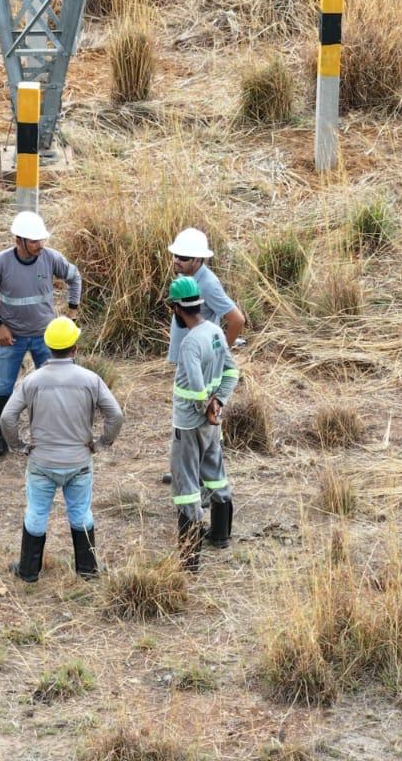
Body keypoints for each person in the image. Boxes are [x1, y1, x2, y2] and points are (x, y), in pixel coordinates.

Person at [0, 316, 124, 583]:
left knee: (36, 512)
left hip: (41, 461)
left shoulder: (32, 381)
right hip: (79, 461)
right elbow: (116, 415)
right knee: (80, 513)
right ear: (75, 348)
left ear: (47, 346)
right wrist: (101, 443)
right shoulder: (91, 379)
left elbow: (7, 417)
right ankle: (88, 569)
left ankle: (29, 570)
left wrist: (18, 446)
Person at [0, 211, 82, 463]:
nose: (40, 245)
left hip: (46, 337)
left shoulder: (51, 258)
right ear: (18, 240)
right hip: (13, 338)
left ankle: (57, 438)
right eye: (34, 241)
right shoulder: (0, 263)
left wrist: (72, 312)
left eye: (41, 240)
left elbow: (74, 278)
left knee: (59, 384)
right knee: (3, 387)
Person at [163, 228, 246, 485]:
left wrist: (221, 352)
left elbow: (236, 319)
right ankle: (188, 470)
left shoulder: (207, 283)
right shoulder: (190, 278)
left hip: (199, 363)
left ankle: (198, 476)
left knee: (198, 418)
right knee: (190, 420)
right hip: (190, 360)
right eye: (176, 255)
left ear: (199, 260)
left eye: (185, 258)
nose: (178, 261)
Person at [168, 276, 239, 572]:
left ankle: (189, 559)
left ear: (176, 308)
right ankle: (221, 535)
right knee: (215, 474)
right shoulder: (214, 332)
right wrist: (219, 403)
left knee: (186, 486)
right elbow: (232, 372)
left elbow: (197, 388)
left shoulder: (188, 343)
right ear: (199, 302)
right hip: (212, 423)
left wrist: (206, 407)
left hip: (189, 424)